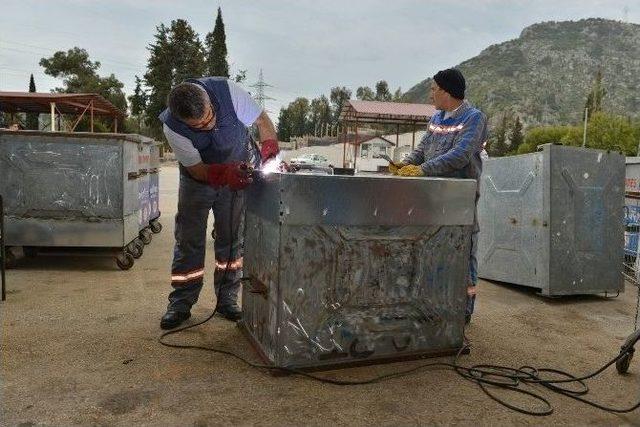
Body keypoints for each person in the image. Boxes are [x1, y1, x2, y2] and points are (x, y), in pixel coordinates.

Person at [158, 77, 279, 329]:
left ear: (209, 100)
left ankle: (227, 300)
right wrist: (224, 174)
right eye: (199, 126)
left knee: (232, 239)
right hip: (198, 180)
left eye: (210, 117)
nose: (208, 125)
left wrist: (269, 151)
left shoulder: (229, 93)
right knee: (189, 239)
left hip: (237, 174)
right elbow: (198, 171)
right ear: (182, 121)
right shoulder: (173, 127)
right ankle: (180, 303)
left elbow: (262, 121)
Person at [391, 68, 488, 324]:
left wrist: (421, 170)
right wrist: (404, 165)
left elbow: (461, 154)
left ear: (446, 92)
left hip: (459, 199)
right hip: (431, 198)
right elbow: (423, 149)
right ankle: (431, 303)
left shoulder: (474, 118)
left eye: (434, 89)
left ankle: (463, 310)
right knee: (430, 248)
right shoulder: (435, 118)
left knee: (463, 252)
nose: (430, 93)